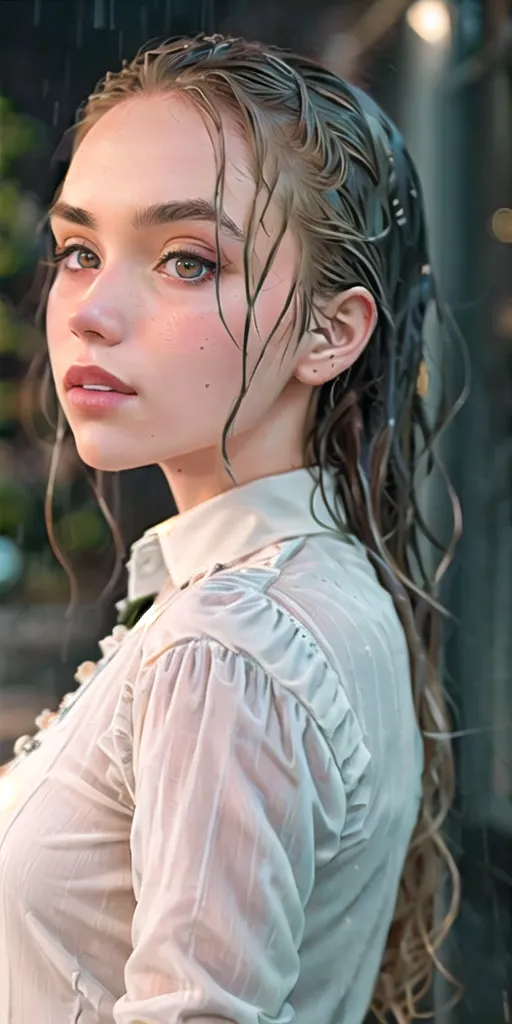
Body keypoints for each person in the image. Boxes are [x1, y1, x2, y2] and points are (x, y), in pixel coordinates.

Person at [0, 33, 460, 1024]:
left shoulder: (226, 648)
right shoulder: (320, 586)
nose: (90, 311)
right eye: (80, 249)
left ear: (330, 332)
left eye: (184, 259)